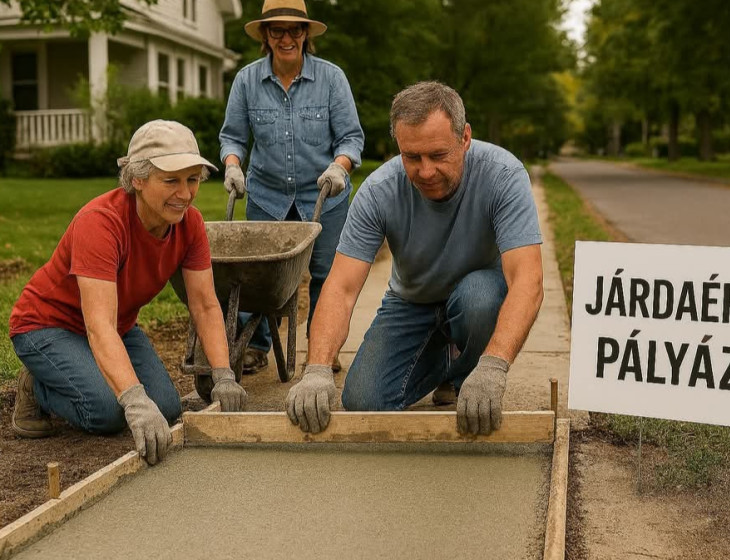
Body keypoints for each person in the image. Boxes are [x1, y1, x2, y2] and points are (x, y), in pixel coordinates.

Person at [286, 82, 544, 435]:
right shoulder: (379, 191)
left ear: (464, 138)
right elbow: (341, 287)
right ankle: (444, 362)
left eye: (438, 155)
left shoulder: (503, 175)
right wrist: (316, 369)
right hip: (412, 303)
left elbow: (528, 281)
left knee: (479, 300)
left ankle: (467, 371)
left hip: (477, 297)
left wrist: (494, 366)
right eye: (412, 157)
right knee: (365, 401)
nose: (425, 171)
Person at [9, 120, 247, 465]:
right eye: (171, 180)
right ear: (137, 178)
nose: (185, 194)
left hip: (114, 325)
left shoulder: (189, 224)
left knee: (165, 407)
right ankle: (38, 386)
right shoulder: (100, 223)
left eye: (192, 179)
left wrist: (223, 374)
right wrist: (133, 401)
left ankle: (76, 374)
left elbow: (206, 305)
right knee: (107, 412)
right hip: (47, 326)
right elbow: (98, 326)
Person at [219, 0, 364, 375]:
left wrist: (339, 166)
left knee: (327, 274)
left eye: (294, 30)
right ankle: (254, 345)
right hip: (267, 196)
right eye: (277, 30)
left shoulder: (332, 78)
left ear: (306, 34)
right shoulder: (247, 81)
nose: (286, 38)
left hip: (324, 195)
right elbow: (232, 137)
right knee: (256, 276)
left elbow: (351, 138)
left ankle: (323, 346)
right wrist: (233, 166)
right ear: (265, 36)